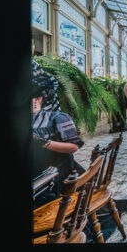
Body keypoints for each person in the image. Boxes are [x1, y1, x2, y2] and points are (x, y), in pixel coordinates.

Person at [30, 64, 84, 199]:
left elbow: (74, 147)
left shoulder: (57, 118)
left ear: (39, 99)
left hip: (55, 178)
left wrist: (44, 143)